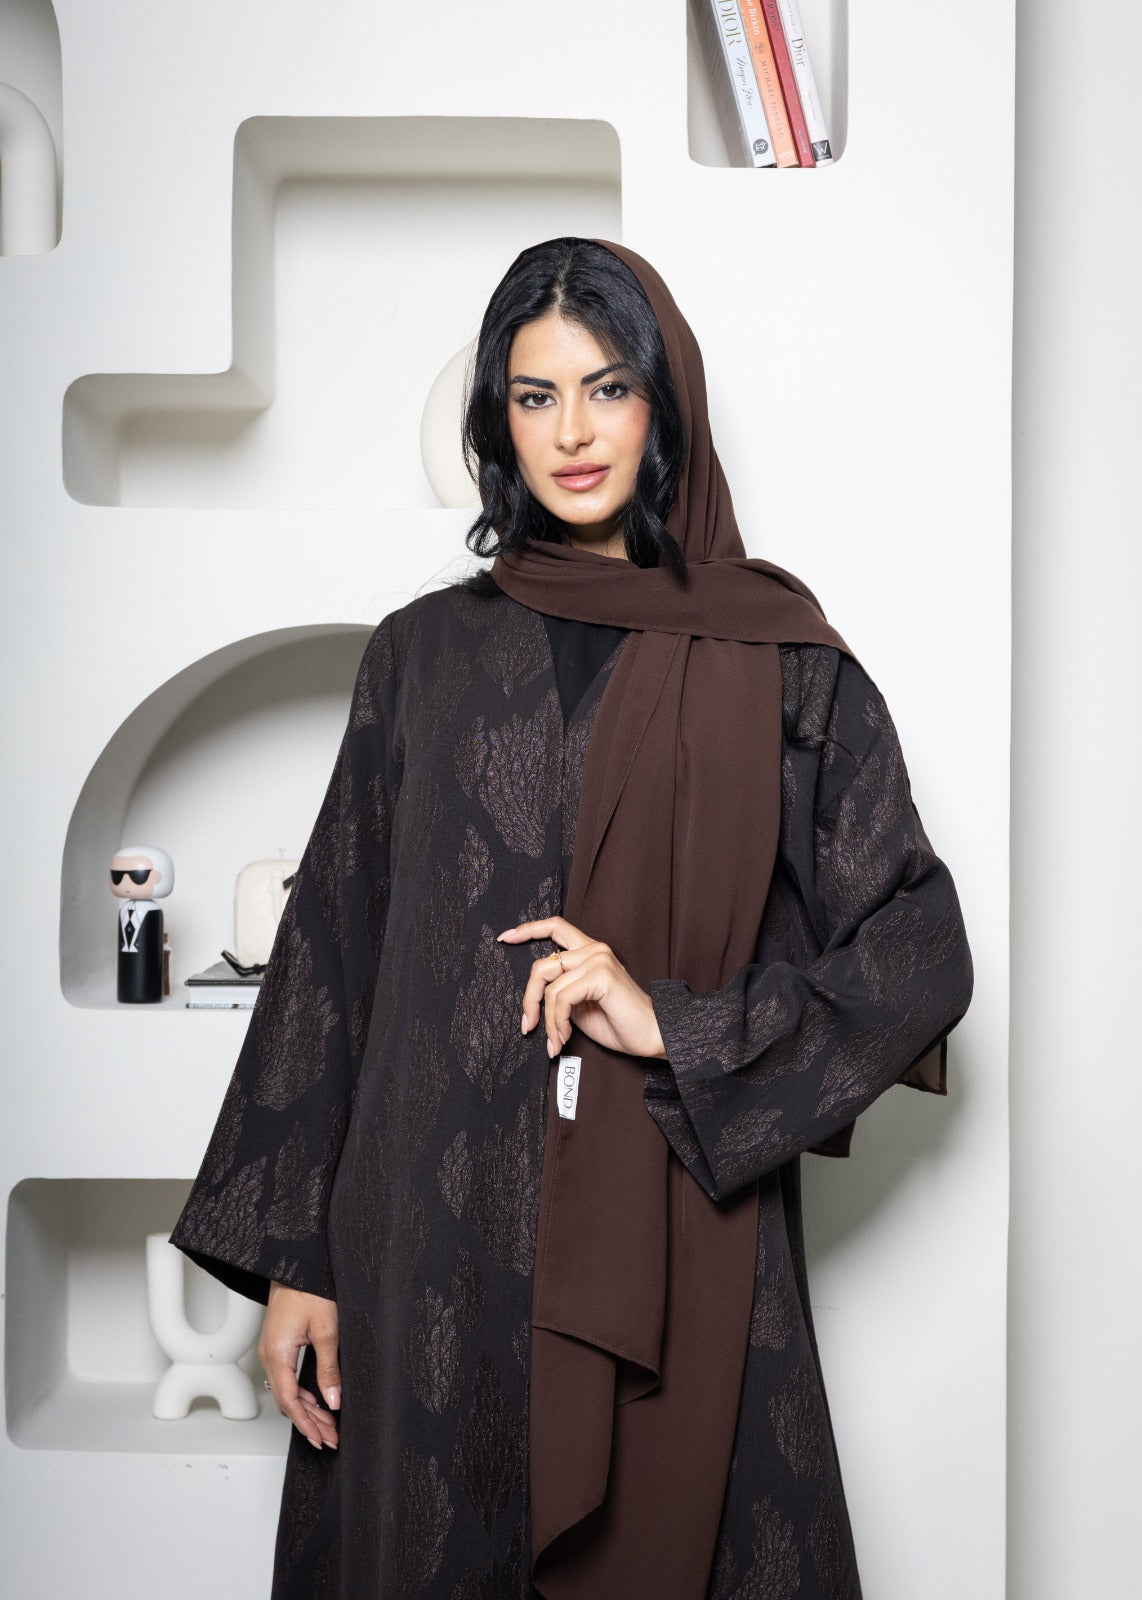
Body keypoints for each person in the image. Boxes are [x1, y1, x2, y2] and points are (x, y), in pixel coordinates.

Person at [171, 238, 973, 1600]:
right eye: (534, 397)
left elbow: (917, 948)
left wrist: (678, 1023)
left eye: (607, 389)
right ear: (498, 420)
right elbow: (334, 960)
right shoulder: (420, 654)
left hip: (672, 1223)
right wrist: (302, 1264)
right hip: (426, 1233)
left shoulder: (777, 655)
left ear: (665, 402)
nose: (573, 433)